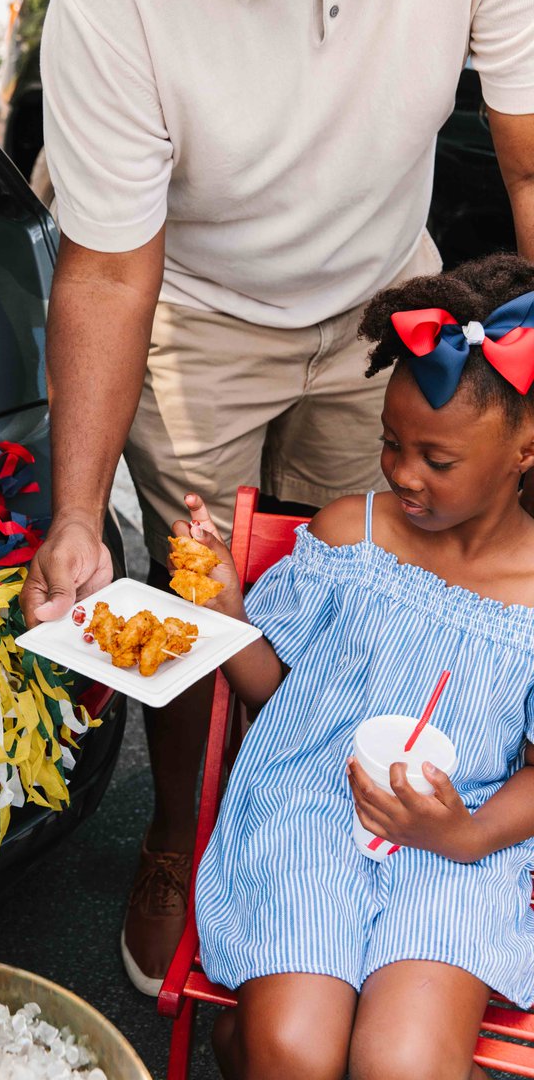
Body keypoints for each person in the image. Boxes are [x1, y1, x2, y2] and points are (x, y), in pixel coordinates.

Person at [21, 0, 534, 993]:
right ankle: (178, 830)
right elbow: (106, 271)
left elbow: (529, 167)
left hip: (388, 311)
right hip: (187, 307)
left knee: (375, 600)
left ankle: (351, 845)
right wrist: (77, 517)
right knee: (196, 587)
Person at [187, 253, 534, 1080]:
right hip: (308, 809)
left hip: (458, 836)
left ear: (527, 449)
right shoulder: (351, 535)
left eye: (437, 461)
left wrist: (463, 834)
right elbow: (278, 696)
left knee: (402, 1062)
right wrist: (227, 610)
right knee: (296, 1051)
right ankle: (249, 1042)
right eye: (390, 443)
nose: (403, 473)